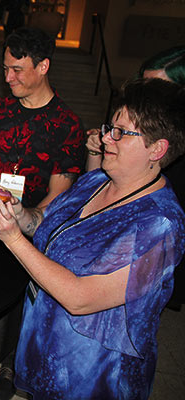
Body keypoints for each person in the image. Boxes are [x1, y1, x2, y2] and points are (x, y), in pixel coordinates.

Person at [0, 78, 185, 399]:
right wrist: (19, 214)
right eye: (109, 127)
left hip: (93, 374)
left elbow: (80, 298)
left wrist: (12, 238)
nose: (106, 139)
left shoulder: (158, 225)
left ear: (157, 149)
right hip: (47, 347)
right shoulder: (98, 180)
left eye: (121, 133)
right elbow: (46, 223)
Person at [0, 26, 86, 399]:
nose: (8, 77)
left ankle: (11, 365)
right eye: (5, 68)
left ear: (44, 66)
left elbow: (58, 196)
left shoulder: (67, 125)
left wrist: (21, 222)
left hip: (31, 231)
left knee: (21, 298)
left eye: (17, 69)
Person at [86, 45, 185, 310]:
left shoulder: (164, 209)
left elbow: (79, 299)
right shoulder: (132, 129)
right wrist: (105, 149)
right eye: (145, 83)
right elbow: (94, 188)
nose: (146, 94)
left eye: (158, 86)